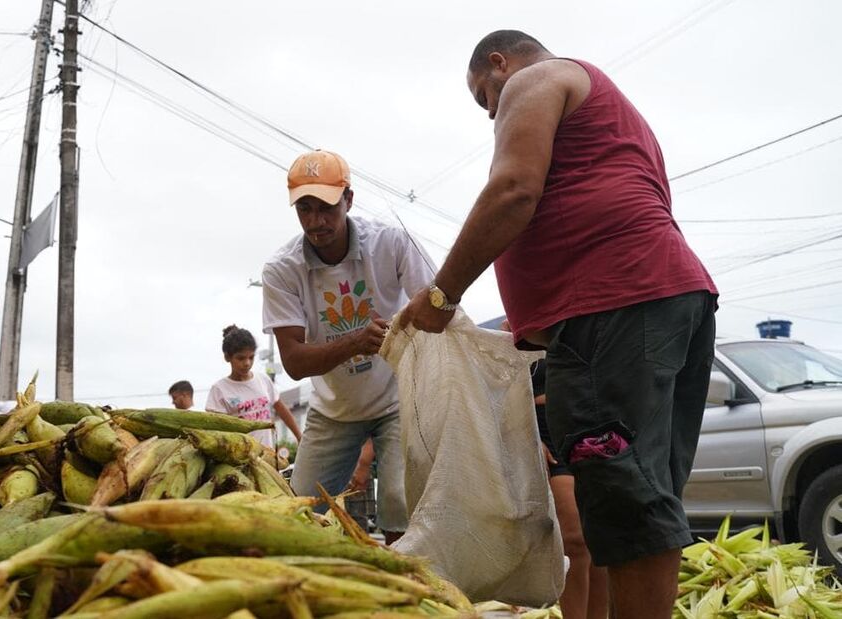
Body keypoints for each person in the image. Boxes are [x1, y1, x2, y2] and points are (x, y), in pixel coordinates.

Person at [400, 31, 717, 618]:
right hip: (667, 299)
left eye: (483, 97)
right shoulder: (616, 113)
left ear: (499, 63)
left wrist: (442, 296)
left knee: (627, 499)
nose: (492, 112)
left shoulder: (536, 78)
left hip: (612, 308)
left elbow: (514, 189)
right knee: (645, 499)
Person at [263, 149, 436, 544]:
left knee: (398, 500)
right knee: (300, 511)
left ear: (349, 200)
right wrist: (356, 341)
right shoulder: (281, 270)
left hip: (397, 400)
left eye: (325, 207)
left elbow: (435, 306)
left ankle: (403, 594)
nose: (316, 221)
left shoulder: (390, 243)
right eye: (304, 209)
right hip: (333, 410)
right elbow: (293, 362)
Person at [531, 357, 609, 619]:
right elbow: (496, 391)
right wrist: (527, 436)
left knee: (600, 539)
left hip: (592, 422)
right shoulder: (515, 327)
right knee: (574, 539)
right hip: (543, 430)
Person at [206, 325, 302, 447]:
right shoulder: (219, 390)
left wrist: (299, 436)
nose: (247, 363)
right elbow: (216, 429)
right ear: (227, 357)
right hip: (240, 458)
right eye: (240, 358)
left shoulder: (263, 380)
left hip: (268, 454)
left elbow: (281, 408)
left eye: (251, 357)